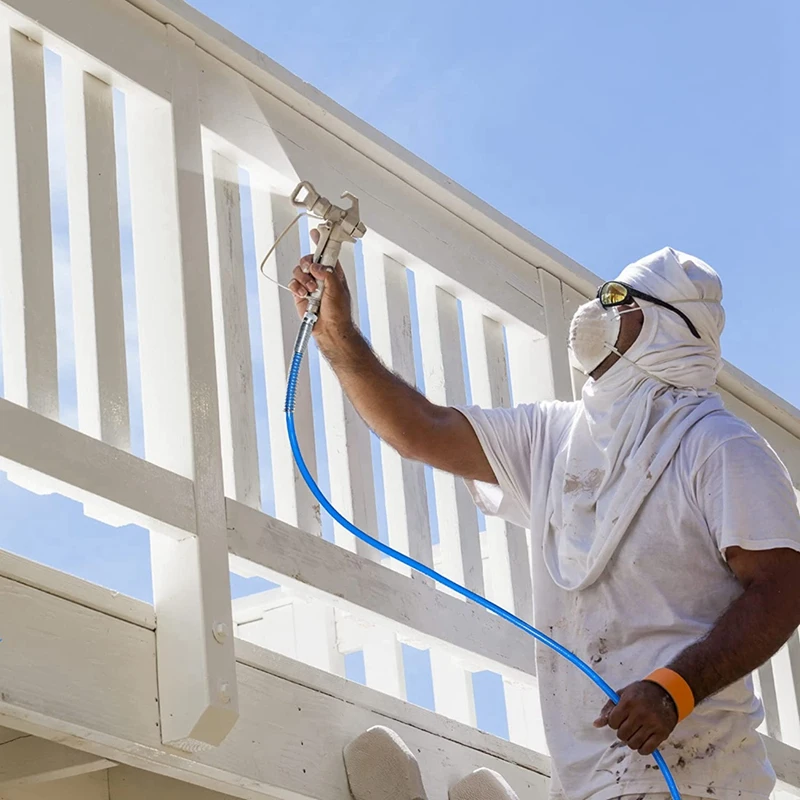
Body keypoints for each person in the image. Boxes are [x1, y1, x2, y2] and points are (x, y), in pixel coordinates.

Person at [289, 241, 800, 800]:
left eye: (618, 299)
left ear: (662, 325)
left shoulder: (718, 447)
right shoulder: (554, 436)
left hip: (699, 777)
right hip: (587, 781)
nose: (598, 310)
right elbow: (419, 430)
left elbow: (783, 588)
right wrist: (335, 334)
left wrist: (673, 689)